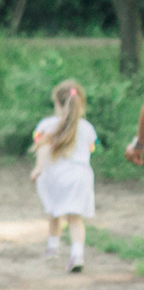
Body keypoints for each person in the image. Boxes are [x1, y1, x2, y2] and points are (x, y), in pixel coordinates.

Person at [33, 77, 96, 273]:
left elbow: (40, 144)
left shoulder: (47, 125)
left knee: (54, 211)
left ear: (58, 104)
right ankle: (77, 255)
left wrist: (38, 168)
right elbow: (92, 148)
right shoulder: (88, 128)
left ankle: (53, 247)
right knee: (75, 218)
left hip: (57, 176)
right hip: (81, 176)